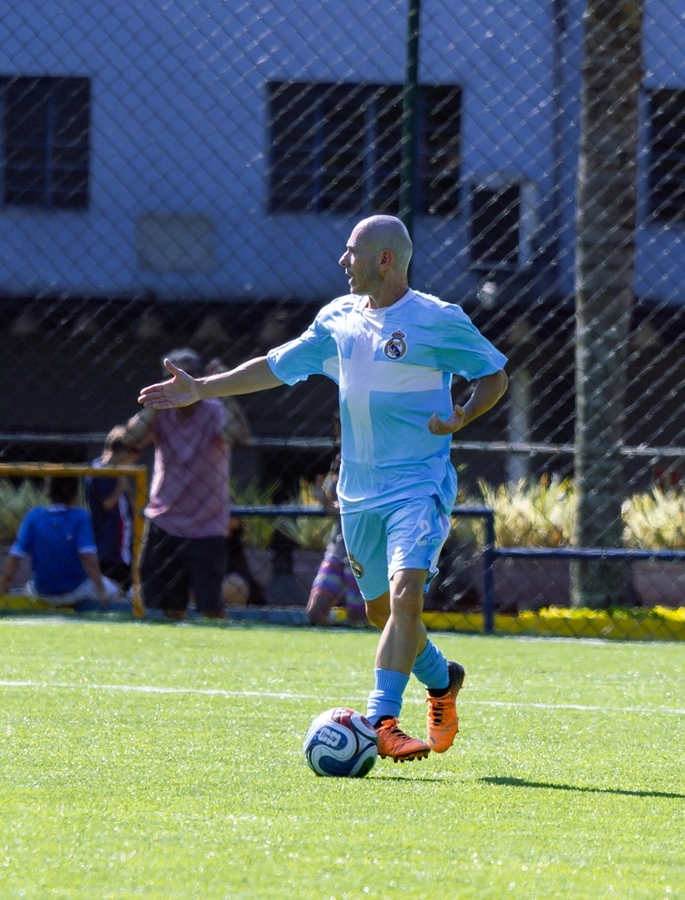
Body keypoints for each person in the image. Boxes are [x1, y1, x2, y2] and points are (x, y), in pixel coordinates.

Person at [138, 216, 508, 761]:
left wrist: (464, 415)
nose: (342, 260)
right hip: (357, 495)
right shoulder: (336, 320)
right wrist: (202, 390)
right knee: (383, 615)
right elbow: (273, 366)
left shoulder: (438, 320)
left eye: (351, 250)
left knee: (407, 596)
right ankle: (442, 678)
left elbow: (494, 373)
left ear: (384, 259)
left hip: (418, 485)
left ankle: (382, 719)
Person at [123, 347, 252, 620]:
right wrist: (158, 402)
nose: (177, 380)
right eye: (169, 375)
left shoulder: (215, 409)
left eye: (185, 374)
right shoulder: (161, 413)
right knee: (162, 608)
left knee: (210, 607)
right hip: (164, 519)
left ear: (201, 377)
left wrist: (222, 388)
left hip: (207, 523)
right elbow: (131, 438)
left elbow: (237, 436)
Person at [0, 476, 120, 606]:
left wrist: (4, 583)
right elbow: (87, 557)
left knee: (23, 590)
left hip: (41, 591)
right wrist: (101, 591)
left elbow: (15, 554)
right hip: (76, 590)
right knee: (116, 590)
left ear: (48, 491)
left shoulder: (34, 516)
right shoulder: (80, 516)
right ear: (75, 494)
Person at [306, 420, 365, 626]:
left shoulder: (370, 459)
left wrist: (326, 501)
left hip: (362, 551)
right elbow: (335, 505)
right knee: (316, 612)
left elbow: (354, 508)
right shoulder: (340, 461)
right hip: (339, 549)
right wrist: (323, 498)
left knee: (359, 617)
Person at [85, 426, 141, 592]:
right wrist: (119, 488)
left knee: (127, 588)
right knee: (114, 589)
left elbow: (130, 506)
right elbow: (107, 504)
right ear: (123, 451)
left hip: (123, 546)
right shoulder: (101, 470)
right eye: (134, 451)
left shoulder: (118, 472)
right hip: (109, 547)